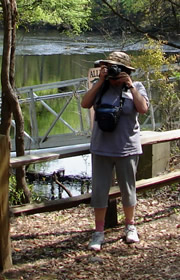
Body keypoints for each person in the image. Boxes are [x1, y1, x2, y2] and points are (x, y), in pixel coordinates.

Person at [81, 51, 149, 251]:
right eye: (110, 67)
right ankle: (99, 232)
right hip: (101, 147)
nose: (114, 72)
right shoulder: (100, 87)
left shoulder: (136, 87)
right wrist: (100, 82)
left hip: (127, 147)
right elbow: (85, 104)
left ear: (127, 70)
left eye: (117, 68)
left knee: (128, 190)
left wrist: (129, 85)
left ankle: (130, 226)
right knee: (100, 192)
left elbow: (143, 108)